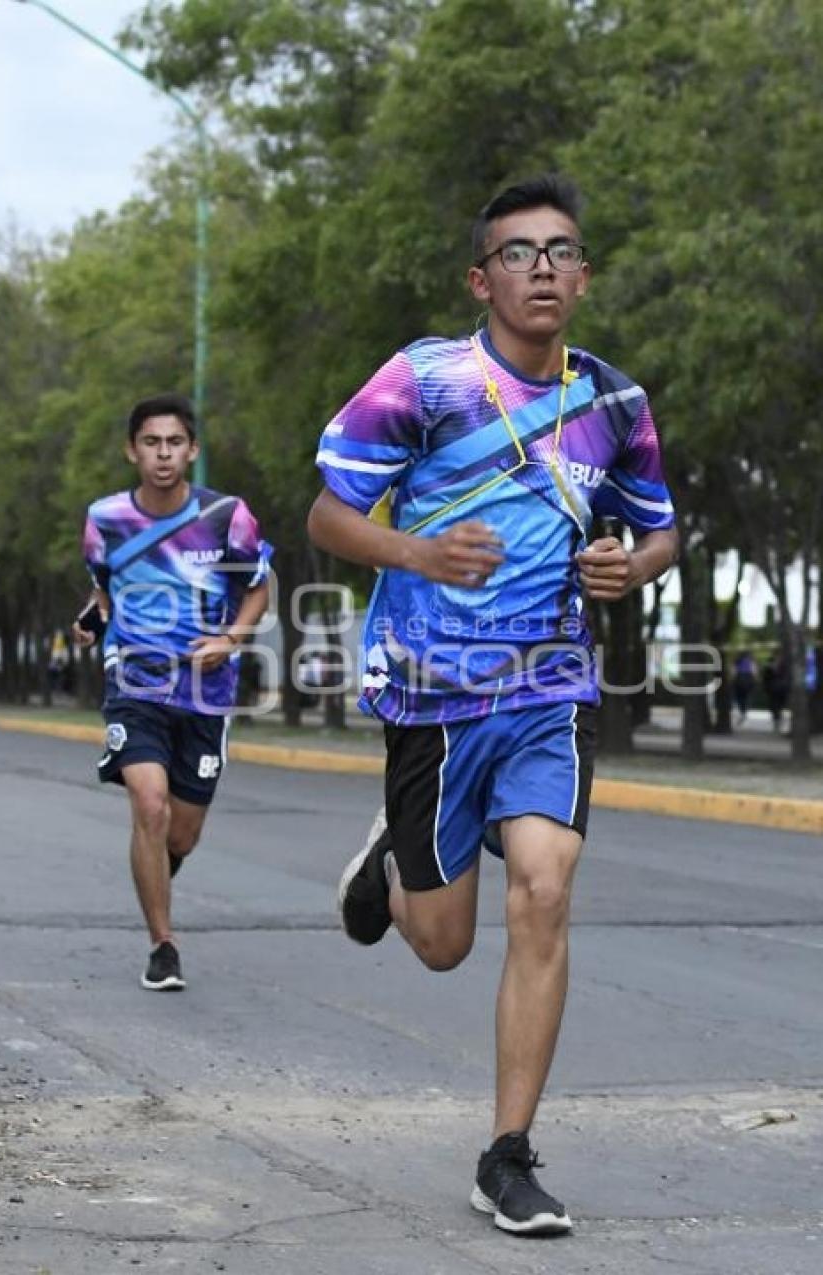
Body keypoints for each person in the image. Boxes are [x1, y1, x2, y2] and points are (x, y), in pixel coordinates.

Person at [308, 176, 678, 1236]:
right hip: (430, 691)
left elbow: (658, 530)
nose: (544, 269)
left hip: (548, 686)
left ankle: (507, 1156)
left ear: (585, 276)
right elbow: (328, 516)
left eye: (562, 251)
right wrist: (417, 550)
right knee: (439, 944)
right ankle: (395, 862)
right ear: (483, 277)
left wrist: (630, 567)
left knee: (546, 891)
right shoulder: (423, 381)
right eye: (519, 253)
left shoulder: (613, 403)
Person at [72, 393, 272, 991]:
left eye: (175, 443)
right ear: (132, 450)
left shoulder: (226, 516)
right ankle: (163, 944)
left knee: (180, 832)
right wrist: (93, 620)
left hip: (206, 693)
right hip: (134, 681)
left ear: (193, 450)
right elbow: (106, 590)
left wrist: (230, 639)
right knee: (150, 803)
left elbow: (260, 588)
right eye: (152, 443)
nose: (163, 454)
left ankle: (154, 868)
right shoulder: (105, 519)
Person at [762, 650, 790, 732]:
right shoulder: (769, 665)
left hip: (781, 689)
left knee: (779, 705)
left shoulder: (784, 665)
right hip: (773, 689)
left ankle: (778, 719)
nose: (778, 657)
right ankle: (776, 721)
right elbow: (765, 678)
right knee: (773, 706)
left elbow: (786, 677)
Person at [732, 649, 757, 723]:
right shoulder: (751, 661)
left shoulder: (737, 661)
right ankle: (745, 711)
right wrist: (755, 681)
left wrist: (733, 680)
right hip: (748, 681)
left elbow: (733, 672)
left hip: (739, 681)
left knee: (739, 697)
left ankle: (742, 711)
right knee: (747, 696)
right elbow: (754, 672)